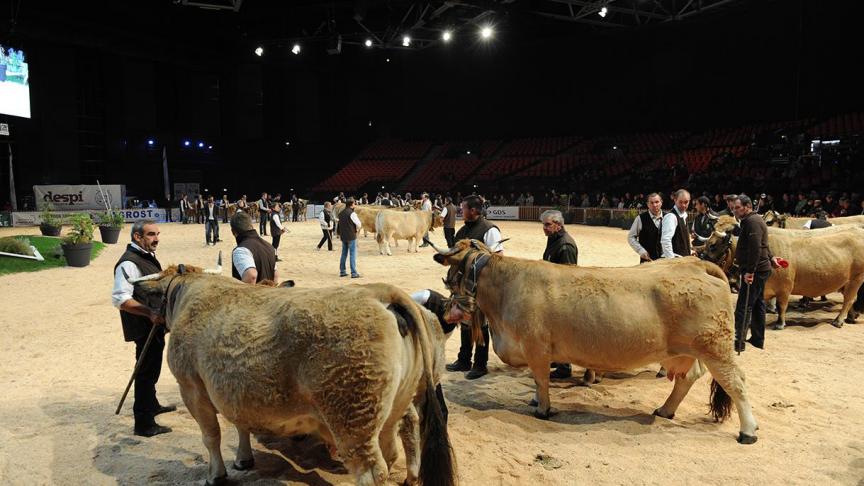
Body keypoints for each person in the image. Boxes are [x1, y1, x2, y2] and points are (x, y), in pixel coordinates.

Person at [111, 220, 174, 437]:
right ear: (137, 237)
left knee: (152, 367)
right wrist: (149, 313)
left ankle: (152, 404)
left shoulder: (146, 256)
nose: (156, 239)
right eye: (150, 235)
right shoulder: (128, 263)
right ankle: (144, 423)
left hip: (154, 325)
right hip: (144, 326)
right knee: (145, 372)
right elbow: (120, 299)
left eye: (157, 234)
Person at [445, 195, 504, 380]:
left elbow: (498, 259)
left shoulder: (490, 230)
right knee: (464, 322)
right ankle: (464, 360)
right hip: (462, 286)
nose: (461, 212)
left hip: (482, 286)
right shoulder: (462, 231)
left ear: (473, 210)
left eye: (463, 209)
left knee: (480, 324)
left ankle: (480, 364)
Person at [732, 195, 781, 346]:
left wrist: (750, 272)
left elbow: (755, 248)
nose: (734, 211)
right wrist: (771, 257)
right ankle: (758, 339)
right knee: (758, 303)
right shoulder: (751, 221)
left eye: (737, 208)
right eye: (733, 208)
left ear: (747, 206)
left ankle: (738, 341)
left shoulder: (752, 222)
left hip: (755, 270)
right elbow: (763, 245)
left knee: (744, 305)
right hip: (759, 269)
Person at [540, 209, 578, 380]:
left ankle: (564, 367)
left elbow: (567, 276)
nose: (544, 228)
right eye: (544, 225)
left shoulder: (565, 245)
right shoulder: (554, 239)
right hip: (551, 294)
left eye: (547, 225)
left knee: (561, 332)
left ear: (558, 224)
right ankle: (557, 360)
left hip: (560, 297)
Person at [411, 288, 459, 422]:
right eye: (459, 315)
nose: (457, 321)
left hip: (422, 355)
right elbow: (401, 306)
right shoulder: (427, 298)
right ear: (454, 304)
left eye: (461, 321)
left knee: (441, 410)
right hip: (404, 340)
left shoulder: (449, 328)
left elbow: (436, 350)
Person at [230, 211, 278, 284]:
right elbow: (276, 275)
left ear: (233, 232)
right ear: (251, 226)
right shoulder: (269, 246)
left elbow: (251, 276)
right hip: (271, 293)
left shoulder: (241, 250)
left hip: (254, 294)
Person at [627, 192, 664, 262]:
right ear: (647, 204)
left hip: (665, 261)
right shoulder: (640, 219)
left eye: (657, 202)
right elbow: (631, 237)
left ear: (661, 202)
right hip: (647, 262)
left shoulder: (668, 218)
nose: (654, 205)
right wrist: (641, 250)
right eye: (651, 203)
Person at [660, 189, 692, 259]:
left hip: (683, 260)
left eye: (686, 202)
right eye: (680, 202)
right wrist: (671, 260)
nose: (683, 205)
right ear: (675, 200)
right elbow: (665, 240)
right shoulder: (671, 217)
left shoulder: (684, 215)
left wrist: (690, 251)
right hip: (676, 262)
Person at [337, 197, 363, 278]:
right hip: (351, 236)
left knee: (344, 253)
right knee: (352, 254)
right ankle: (354, 273)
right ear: (351, 204)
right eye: (354, 203)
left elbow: (339, 225)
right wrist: (357, 229)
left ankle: (342, 271)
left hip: (343, 235)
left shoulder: (341, 213)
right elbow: (359, 224)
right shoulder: (352, 213)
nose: (355, 205)